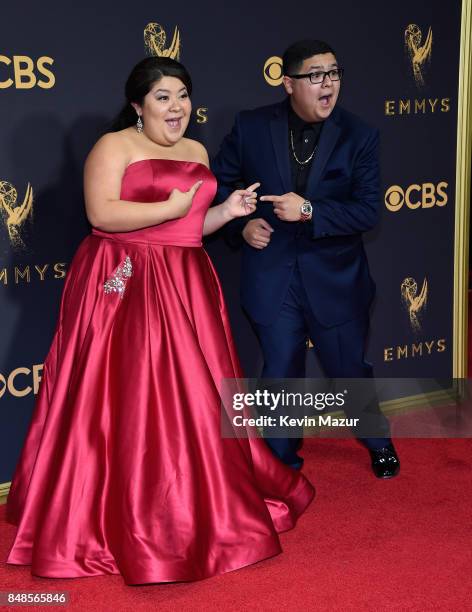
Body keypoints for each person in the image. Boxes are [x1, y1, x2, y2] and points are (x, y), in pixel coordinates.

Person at [6, 57, 314, 585]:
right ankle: (115, 516)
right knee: (123, 398)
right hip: (124, 280)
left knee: (196, 397)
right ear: (137, 105)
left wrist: (228, 211)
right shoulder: (114, 146)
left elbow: (192, 228)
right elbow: (102, 215)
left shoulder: (196, 150)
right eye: (163, 98)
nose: (177, 108)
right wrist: (168, 210)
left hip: (187, 277)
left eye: (183, 96)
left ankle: (198, 502)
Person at [212, 39, 400, 478]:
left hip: (336, 278)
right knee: (279, 372)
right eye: (316, 75)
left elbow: (368, 210)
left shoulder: (360, 135)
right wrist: (240, 224)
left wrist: (310, 210)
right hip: (273, 274)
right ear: (288, 82)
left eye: (333, 73)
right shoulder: (251, 127)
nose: (328, 84)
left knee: (349, 368)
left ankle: (377, 439)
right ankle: (279, 464)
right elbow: (217, 186)